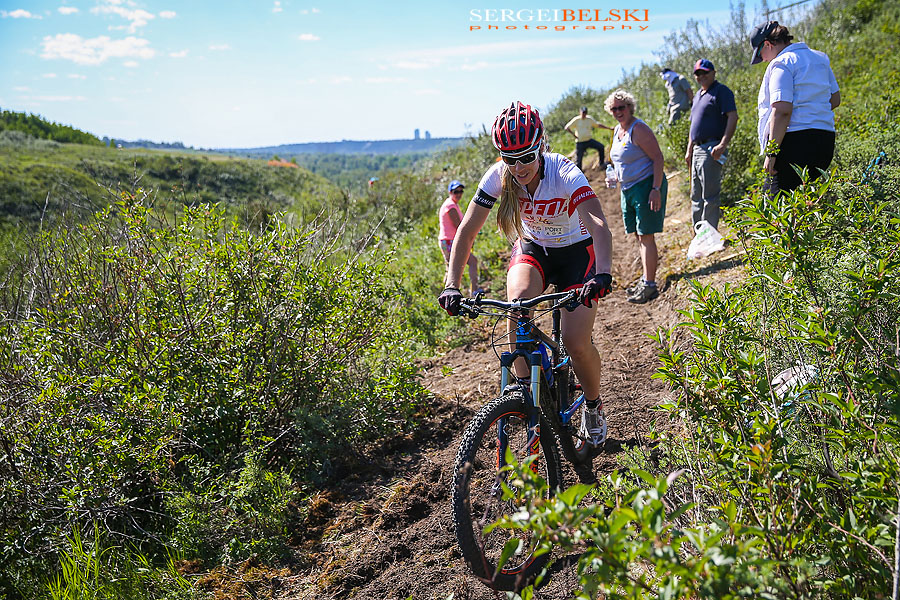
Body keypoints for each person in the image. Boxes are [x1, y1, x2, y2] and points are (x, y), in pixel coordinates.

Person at [438, 101, 614, 447]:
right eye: (509, 158)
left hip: (578, 254)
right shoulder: (497, 177)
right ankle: (529, 401)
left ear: (542, 147)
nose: (518, 167)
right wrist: (452, 285)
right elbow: (467, 232)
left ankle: (592, 407)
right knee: (516, 310)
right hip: (534, 250)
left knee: (577, 345)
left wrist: (603, 274)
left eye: (526, 157)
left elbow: (598, 224)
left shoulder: (563, 172)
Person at [750, 20, 840, 194]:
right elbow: (834, 99)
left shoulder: (782, 63)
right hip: (825, 142)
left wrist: (771, 154)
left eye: (761, 54)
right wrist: (812, 112)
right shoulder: (820, 58)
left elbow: (782, 111)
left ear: (768, 44)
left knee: (774, 204)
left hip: (794, 143)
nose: (763, 60)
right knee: (805, 201)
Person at [606, 89, 667, 304]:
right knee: (638, 236)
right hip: (628, 189)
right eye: (614, 108)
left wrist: (655, 189)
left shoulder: (638, 129)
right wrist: (613, 175)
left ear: (630, 107)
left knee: (646, 235)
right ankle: (645, 279)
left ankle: (650, 285)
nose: (618, 111)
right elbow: (617, 159)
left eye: (621, 107)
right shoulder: (617, 130)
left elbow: (658, 158)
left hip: (646, 186)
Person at [684, 58, 738, 231]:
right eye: (698, 73)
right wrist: (689, 150)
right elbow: (694, 127)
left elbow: (732, 116)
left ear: (713, 73)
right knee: (696, 195)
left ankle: (709, 235)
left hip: (712, 147)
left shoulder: (721, 91)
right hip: (697, 149)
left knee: (710, 195)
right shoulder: (699, 95)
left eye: (705, 72)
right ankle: (699, 234)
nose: (701, 76)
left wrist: (723, 144)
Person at [438, 180, 480, 295]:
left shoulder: (451, 204)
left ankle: (445, 294)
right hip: (450, 240)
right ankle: (474, 290)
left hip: (446, 240)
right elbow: (459, 226)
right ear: (450, 192)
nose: (459, 194)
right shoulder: (450, 206)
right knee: (472, 261)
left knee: (450, 268)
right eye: (456, 191)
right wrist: (469, 238)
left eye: (461, 191)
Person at [564, 106, 614, 171]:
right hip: (580, 142)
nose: (584, 114)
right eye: (583, 113)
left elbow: (597, 125)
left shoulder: (589, 119)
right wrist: (574, 135)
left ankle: (601, 164)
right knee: (579, 160)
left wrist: (609, 128)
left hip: (588, 140)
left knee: (601, 147)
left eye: (585, 113)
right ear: (580, 112)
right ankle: (579, 173)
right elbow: (567, 127)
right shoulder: (576, 120)